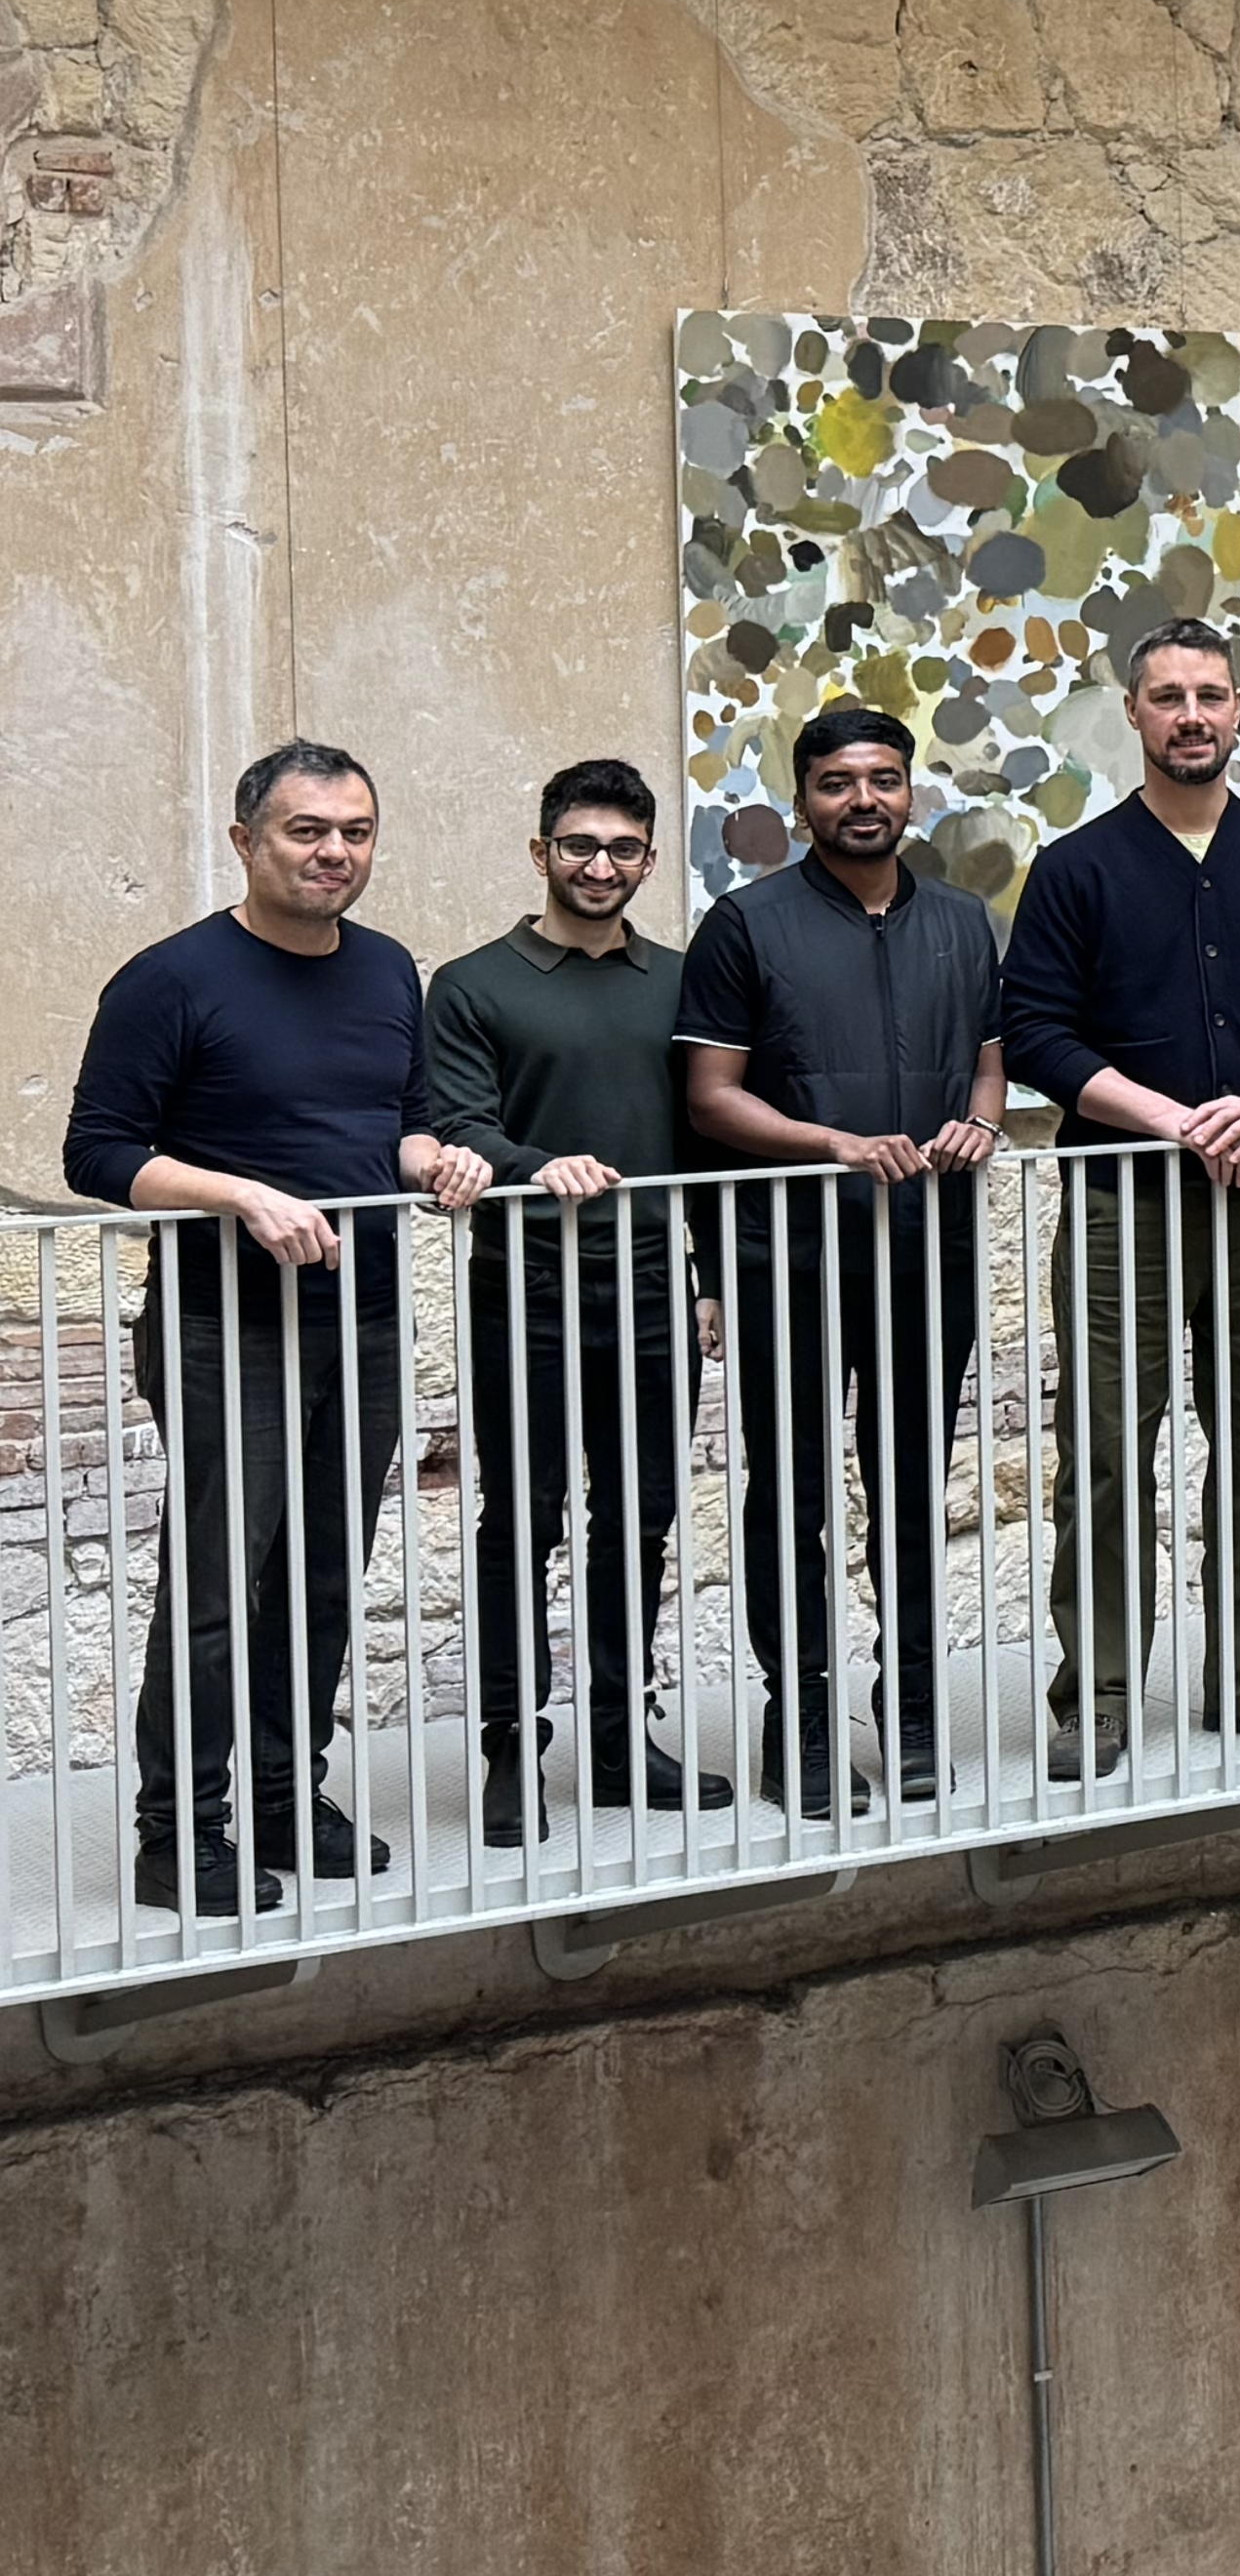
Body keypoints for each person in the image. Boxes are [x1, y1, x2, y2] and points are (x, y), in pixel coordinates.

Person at [68, 742, 463, 1913]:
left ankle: (290, 1799)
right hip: (220, 1325)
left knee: (326, 1579)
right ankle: (176, 1834)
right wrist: (237, 1194)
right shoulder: (171, 978)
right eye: (306, 831)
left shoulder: (391, 970)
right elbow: (98, 1153)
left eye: (354, 831)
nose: (333, 852)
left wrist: (439, 1159)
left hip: (368, 1315)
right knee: (216, 1586)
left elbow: (395, 1121)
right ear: (245, 841)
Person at [997, 622, 1240, 1778]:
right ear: (1134, 712)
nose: (1192, 715)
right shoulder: (1078, 868)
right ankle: (1102, 1693)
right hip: (1125, 1194)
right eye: (1167, 695)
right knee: (1111, 1446)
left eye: (1211, 694)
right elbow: (1038, 1037)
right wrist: (1177, 1119)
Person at [682, 701, 1005, 1823]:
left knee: (914, 1489)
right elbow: (710, 1100)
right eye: (836, 782)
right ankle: (803, 1721)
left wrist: (981, 1121)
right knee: (794, 1496)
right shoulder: (746, 925)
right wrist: (832, 1144)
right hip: (791, 1263)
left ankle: (910, 1709)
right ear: (802, 798)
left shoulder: (965, 920)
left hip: (928, 1260)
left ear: (912, 791)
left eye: (882, 778)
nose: (862, 800)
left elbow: (988, 1057)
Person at [417, 760, 731, 1845]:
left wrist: (708, 1280)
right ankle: (514, 1749)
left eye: (624, 850)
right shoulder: (471, 982)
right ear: (541, 851)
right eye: (581, 847)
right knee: (522, 1519)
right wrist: (537, 1163)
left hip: (651, 1286)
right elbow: (456, 1122)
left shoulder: (680, 980)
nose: (601, 867)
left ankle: (616, 1738)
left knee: (640, 1521)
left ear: (648, 859)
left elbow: (704, 1136)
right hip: (526, 1285)